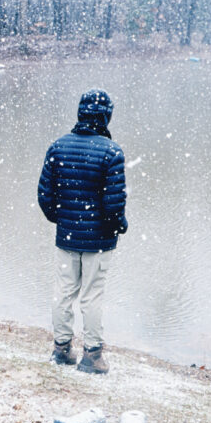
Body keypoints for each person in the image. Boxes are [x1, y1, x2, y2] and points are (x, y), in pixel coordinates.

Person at [37, 89, 128, 374]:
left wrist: (63, 219)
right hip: (98, 240)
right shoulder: (111, 152)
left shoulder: (58, 147)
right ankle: (92, 356)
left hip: (66, 236)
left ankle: (62, 349)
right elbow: (114, 203)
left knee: (63, 293)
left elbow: (44, 195)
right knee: (92, 297)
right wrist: (118, 227)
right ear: (106, 116)